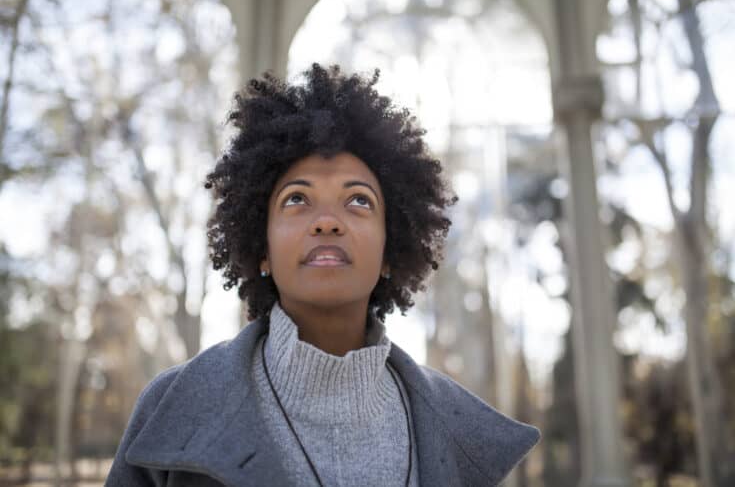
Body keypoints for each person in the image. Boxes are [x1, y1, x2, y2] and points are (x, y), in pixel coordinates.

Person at [106, 63, 539, 487]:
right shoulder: (172, 406)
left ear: (390, 252)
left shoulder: (457, 436)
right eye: (297, 199)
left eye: (358, 202)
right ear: (263, 250)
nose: (328, 221)